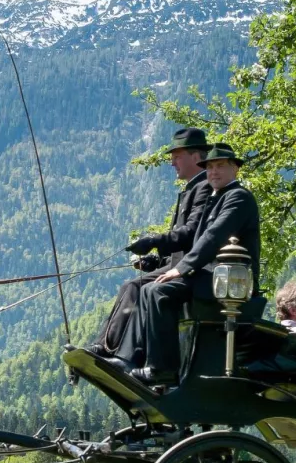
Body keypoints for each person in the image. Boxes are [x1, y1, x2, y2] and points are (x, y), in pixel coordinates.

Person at [114, 142, 260, 384]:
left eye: (220, 166)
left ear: (235, 168)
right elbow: (194, 240)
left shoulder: (239, 198)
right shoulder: (217, 198)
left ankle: (163, 369)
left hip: (228, 283)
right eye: (210, 167)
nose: (213, 172)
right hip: (208, 276)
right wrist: (159, 261)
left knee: (159, 291)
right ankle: (133, 358)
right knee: (148, 288)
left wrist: (180, 269)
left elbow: (213, 237)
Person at [91, 127, 213, 359]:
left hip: (191, 269)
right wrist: (157, 260)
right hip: (178, 265)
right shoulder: (193, 188)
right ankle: (110, 348)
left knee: (134, 288)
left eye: (177, 156)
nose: (172, 163)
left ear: (196, 157)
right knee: (132, 286)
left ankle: (113, 351)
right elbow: (185, 242)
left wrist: (152, 241)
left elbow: (190, 233)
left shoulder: (204, 187)